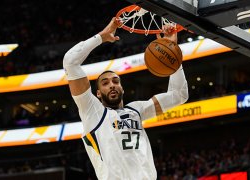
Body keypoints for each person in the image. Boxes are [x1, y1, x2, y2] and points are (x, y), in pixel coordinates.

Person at [63, 17, 188, 180]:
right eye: (105, 83)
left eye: (116, 81)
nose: (112, 85)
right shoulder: (93, 112)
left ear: (122, 88)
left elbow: (179, 95)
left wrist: (173, 53)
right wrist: (101, 36)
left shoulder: (136, 110)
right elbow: (70, 62)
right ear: (98, 93)